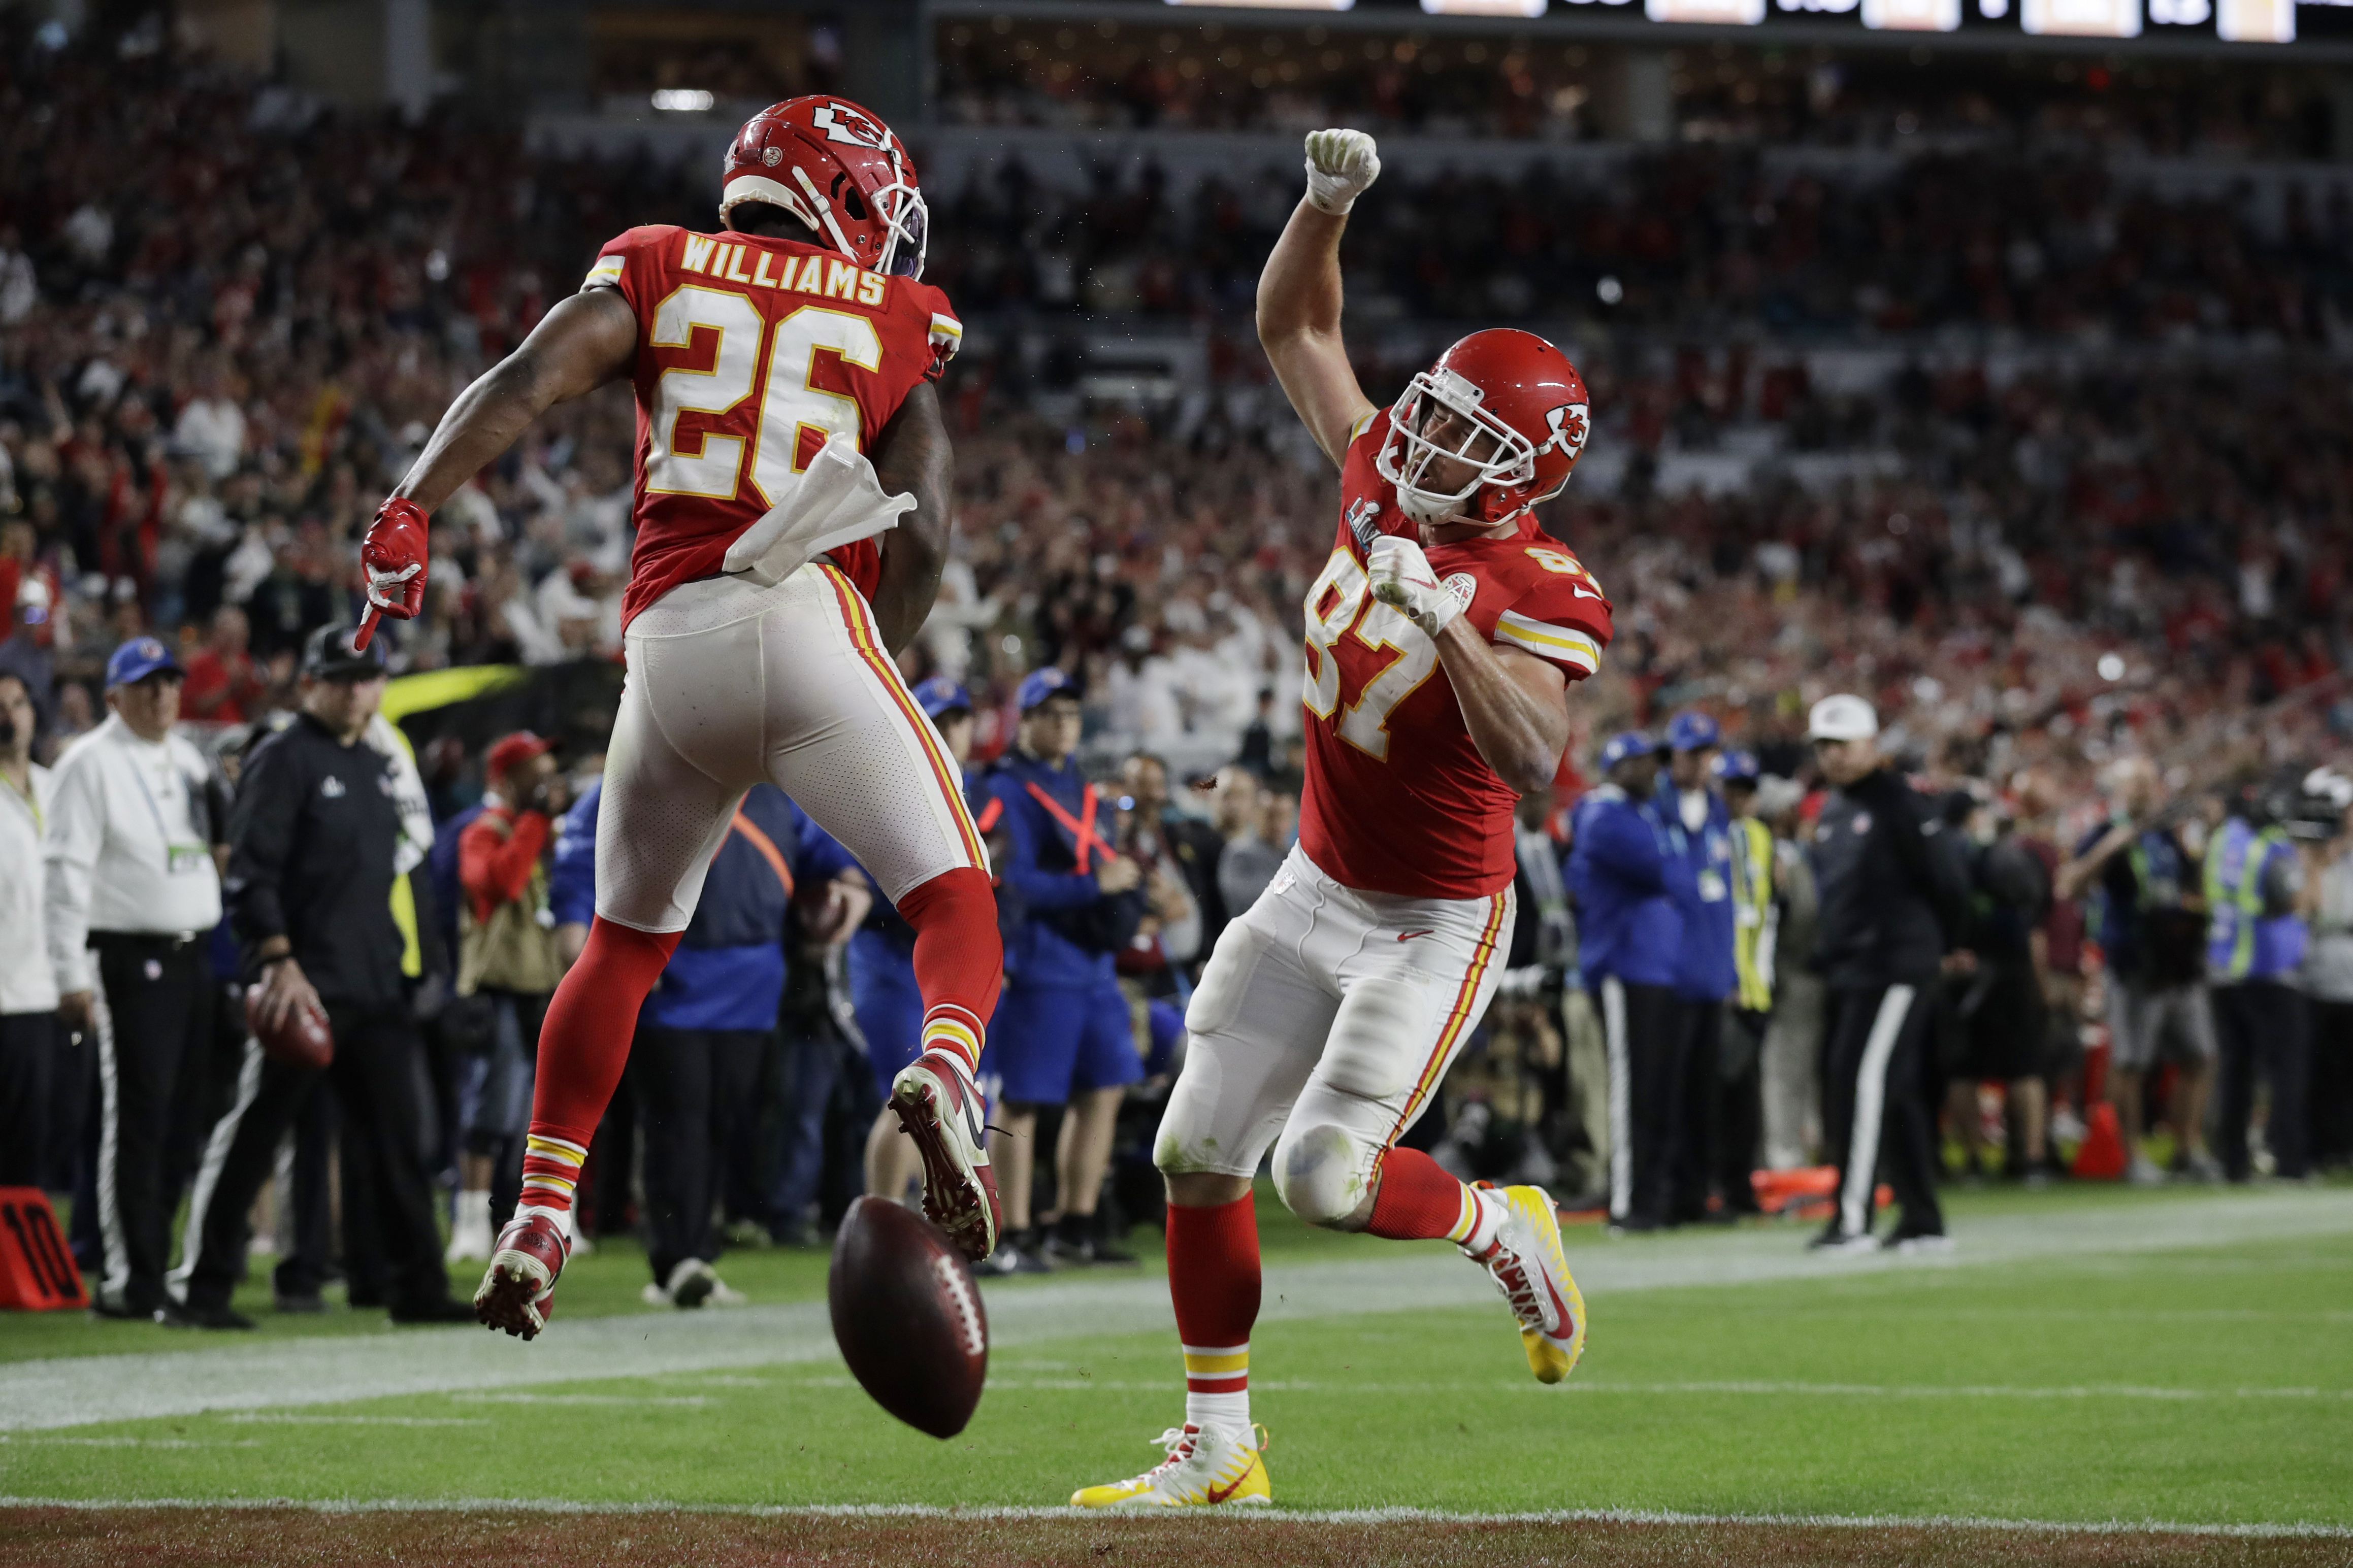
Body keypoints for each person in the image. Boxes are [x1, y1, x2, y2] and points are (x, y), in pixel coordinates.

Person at [352, 95, 1007, 1338]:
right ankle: (948, 1077)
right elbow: (926, 525)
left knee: (622, 945)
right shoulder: (899, 313)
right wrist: (867, 671)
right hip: (805, 619)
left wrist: (411, 503)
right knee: (956, 898)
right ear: (855, 197)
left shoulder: (655, 260)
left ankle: (541, 1214)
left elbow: (530, 376)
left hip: (666, 646)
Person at [1073, 127, 1607, 1508]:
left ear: (1521, 479)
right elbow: (1295, 322)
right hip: (1314, 881)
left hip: (1434, 917)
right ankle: (1218, 1448)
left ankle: (1499, 1226)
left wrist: (1453, 630)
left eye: (1464, 439)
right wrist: (1325, 205)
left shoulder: (1538, 583)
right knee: (1194, 1155)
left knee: (1321, 1175)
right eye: (1430, 409)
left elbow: (1537, 754)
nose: (1420, 437)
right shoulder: (1378, 469)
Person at [170, 626, 474, 1327]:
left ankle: (416, 1288)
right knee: (257, 1132)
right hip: (306, 983)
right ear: (311, 683)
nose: (355, 689)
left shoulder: (373, 764)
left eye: (366, 676)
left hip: (374, 983)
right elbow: (249, 874)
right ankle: (203, 1287)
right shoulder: (282, 759)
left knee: (401, 1141)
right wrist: (277, 962)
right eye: (340, 677)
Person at [556, 776, 862, 1303]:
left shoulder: (771, 792)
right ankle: (676, 1260)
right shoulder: (636, 775)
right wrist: (587, 947)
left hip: (754, 986)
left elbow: (827, 856)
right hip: (668, 980)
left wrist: (851, 893)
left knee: (725, 1124)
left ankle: (698, 1251)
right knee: (679, 1124)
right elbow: (579, 864)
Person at [43, 636, 225, 1321]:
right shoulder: (88, 764)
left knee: (182, 1121)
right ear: (113, 696)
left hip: (191, 954)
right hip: (126, 955)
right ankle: (130, 1276)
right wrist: (69, 972)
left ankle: (156, 1261)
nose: (163, 696)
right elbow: (63, 871)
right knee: (139, 1118)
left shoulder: (186, 759)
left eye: (171, 683)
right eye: (147, 685)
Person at [985, 669, 1147, 1273]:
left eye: (1071, 714)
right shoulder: (1003, 788)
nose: (1063, 725)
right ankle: (1013, 1230)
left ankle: (1076, 1223)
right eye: (1050, 713)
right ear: (1023, 721)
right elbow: (1008, 882)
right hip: (1040, 961)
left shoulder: (1082, 788)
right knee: (1024, 1099)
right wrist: (1090, 885)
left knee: (1103, 1089)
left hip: (1093, 966)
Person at [1804, 694, 1966, 1252]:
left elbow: (1946, 878)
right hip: (1856, 968)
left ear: (1871, 744)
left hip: (1895, 965)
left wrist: (1941, 944)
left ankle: (1852, 1219)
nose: (1833, 756)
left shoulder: (1899, 802)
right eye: (1823, 746)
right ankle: (1922, 1218)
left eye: (1842, 744)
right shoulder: (1832, 808)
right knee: (1890, 1089)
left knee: (1858, 1081)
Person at [850, 676, 989, 1211]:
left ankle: (932, 1222)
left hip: (948, 962)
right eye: (941, 719)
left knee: (950, 1093)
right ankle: (881, 1220)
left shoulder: (976, 789)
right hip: (888, 957)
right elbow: (852, 877)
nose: (952, 730)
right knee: (908, 1095)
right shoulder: (882, 779)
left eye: (959, 719)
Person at [2056, 757, 2219, 1184]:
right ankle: (2131, 1153)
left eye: (2150, 782)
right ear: (2119, 791)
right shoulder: (2106, 831)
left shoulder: (2170, 834)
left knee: (2200, 1055)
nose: (2147, 791)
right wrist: (2112, 846)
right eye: (2136, 784)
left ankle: (2188, 1146)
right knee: (2129, 1062)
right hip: (2133, 962)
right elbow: (2070, 884)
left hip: (2180, 961)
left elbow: (2191, 885)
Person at [443, 731, 569, 1264]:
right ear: (505, 778)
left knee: (528, 1116)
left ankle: (524, 1222)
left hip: (536, 986)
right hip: (494, 989)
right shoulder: (481, 831)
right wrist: (536, 823)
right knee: (491, 1110)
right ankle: (468, 1221)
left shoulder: (541, 831)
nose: (546, 777)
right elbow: (502, 883)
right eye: (533, 769)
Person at [1568, 732, 1691, 1233]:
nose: (1652, 773)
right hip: (1621, 963)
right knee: (1629, 1087)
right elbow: (1662, 871)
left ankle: (1650, 1197)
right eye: (1640, 763)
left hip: (1652, 965)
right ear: (1616, 766)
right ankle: (1624, 1203)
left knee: (1653, 1086)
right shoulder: (1605, 815)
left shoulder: (1639, 814)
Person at [2204, 773, 2313, 1184]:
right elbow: (2291, 898)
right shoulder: (2273, 846)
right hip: (2269, 969)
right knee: (2287, 1068)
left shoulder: (2221, 840)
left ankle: (2232, 1162)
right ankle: (2290, 1160)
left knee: (2236, 1070)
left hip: (2222, 969)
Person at [1658, 709, 1735, 1224]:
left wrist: (1727, 969)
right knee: (1665, 1093)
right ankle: (1662, 1194)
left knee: (1705, 1094)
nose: (1700, 762)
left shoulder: (1717, 812)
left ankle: (1696, 1195)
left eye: (1706, 753)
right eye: (1691, 752)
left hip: (1708, 974)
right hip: (1664, 975)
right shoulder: (1650, 807)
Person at [0, 670, 60, 1189]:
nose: (9, 714)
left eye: (17, 703)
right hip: (4, 989)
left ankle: (16, 1263)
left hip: (46, 992)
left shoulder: (54, 786)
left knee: (32, 1148)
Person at [1714, 749, 1774, 1213]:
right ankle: (1726, 1188)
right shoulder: (1715, 836)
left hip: (1754, 987)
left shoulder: (1758, 837)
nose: (1741, 799)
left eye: (1747, 790)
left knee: (1743, 1096)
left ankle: (1738, 1188)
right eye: (1734, 790)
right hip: (1725, 985)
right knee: (1726, 1094)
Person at [1757, 776, 1822, 1172]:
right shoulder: (1773, 854)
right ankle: (1783, 1158)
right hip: (1789, 974)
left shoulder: (1795, 852)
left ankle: (1800, 1151)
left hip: (1805, 974)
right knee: (1783, 1071)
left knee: (1800, 1071)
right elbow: (1792, 919)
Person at [2302, 777, 2353, 1172]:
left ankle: (2343, 1145)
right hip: (2316, 969)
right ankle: (2317, 1146)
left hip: (2347, 968)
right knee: (2316, 1067)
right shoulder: (2310, 853)